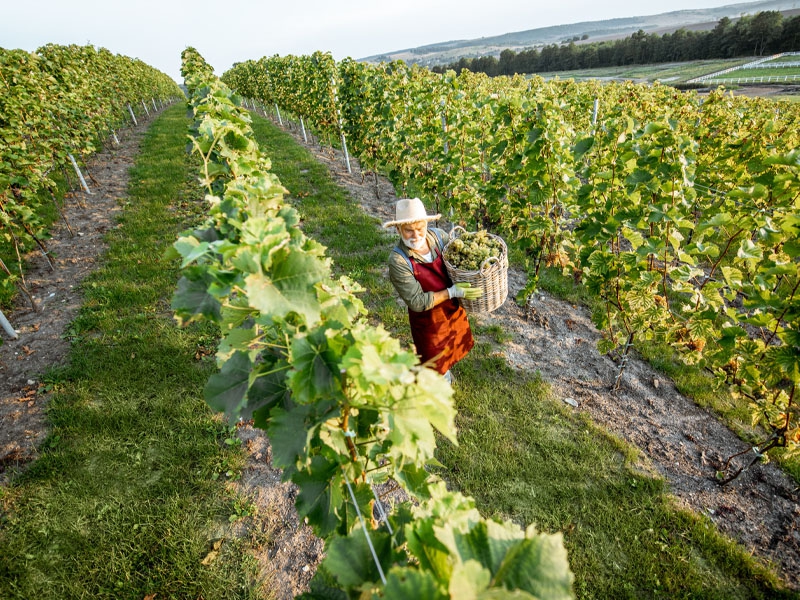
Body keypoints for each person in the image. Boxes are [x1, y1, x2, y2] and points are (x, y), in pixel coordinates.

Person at [384, 198, 482, 383]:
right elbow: (417, 302)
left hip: (451, 311)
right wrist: (452, 292)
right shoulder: (399, 261)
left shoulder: (439, 237)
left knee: (452, 346)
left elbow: (458, 260)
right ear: (398, 230)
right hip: (429, 319)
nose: (416, 235)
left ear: (427, 224)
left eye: (420, 228)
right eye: (408, 230)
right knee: (433, 360)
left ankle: (445, 374)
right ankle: (438, 391)